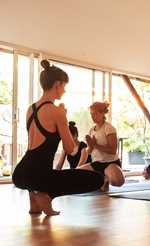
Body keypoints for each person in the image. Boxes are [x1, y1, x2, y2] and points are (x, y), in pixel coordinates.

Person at [12, 60, 105, 216]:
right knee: (97, 179)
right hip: (40, 175)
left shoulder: (31, 109)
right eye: (64, 86)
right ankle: (45, 193)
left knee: (39, 175)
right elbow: (71, 150)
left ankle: (34, 195)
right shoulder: (56, 112)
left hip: (20, 173)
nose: (64, 91)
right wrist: (63, 118)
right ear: (57, 84)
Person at [77, 101, 125, 190]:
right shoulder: (91, 130)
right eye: (91, 114)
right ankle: (100, 179)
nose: (92, 116)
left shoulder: (109, 128)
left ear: (102, 113)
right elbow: (90, 151)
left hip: (110, 163)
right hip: (97, 163)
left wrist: (95, 145)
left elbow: (113, 150)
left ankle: (105, 178)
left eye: (95, 113)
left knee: (117, 181)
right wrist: (90, 146)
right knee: (76, 175)